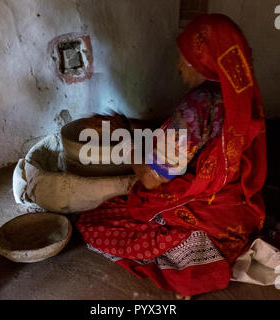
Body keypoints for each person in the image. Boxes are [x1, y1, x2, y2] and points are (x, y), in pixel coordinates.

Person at [76, 14, 267, 298]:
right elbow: (189, 144)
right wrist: (129, 127)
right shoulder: (240, 95)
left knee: (94, 222)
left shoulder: (195, 107)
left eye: (185, 59)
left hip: (203, 213)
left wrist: (124, 139)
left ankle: (194, 258)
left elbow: (152, 179)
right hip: (237, 213)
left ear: (205, 61)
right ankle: (204, 251)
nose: (179, 66)